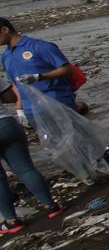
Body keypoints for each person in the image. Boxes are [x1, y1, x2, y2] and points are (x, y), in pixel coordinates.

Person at [0, 76, 61, 233]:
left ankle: (11, 221)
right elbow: (10, 97)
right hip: (5, 124)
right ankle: (50, 205)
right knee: (25, 168)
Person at [0, 18, 82, 114]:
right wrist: (20, 108)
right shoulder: (6, 56)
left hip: (58, 102)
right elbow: (15, 83)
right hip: (31, 109)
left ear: (4, 30)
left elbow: (67, 69)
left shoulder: (38, 46)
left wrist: (40, 77)